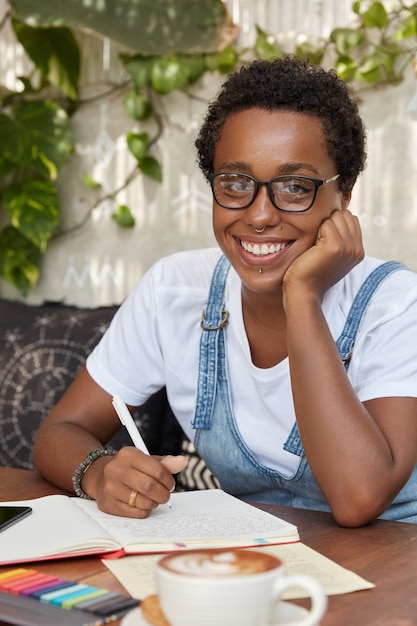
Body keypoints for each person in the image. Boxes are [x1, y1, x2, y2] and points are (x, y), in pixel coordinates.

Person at [33, 55, 417, 528]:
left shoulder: (395, 304)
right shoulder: (176, 290)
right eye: (235, 183)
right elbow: (59, 432)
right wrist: (98, 471)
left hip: (396, 561)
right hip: (261, 559)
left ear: (346, 193)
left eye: (295, 187)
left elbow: (358, 499)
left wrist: (302, 296)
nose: (258, 215)